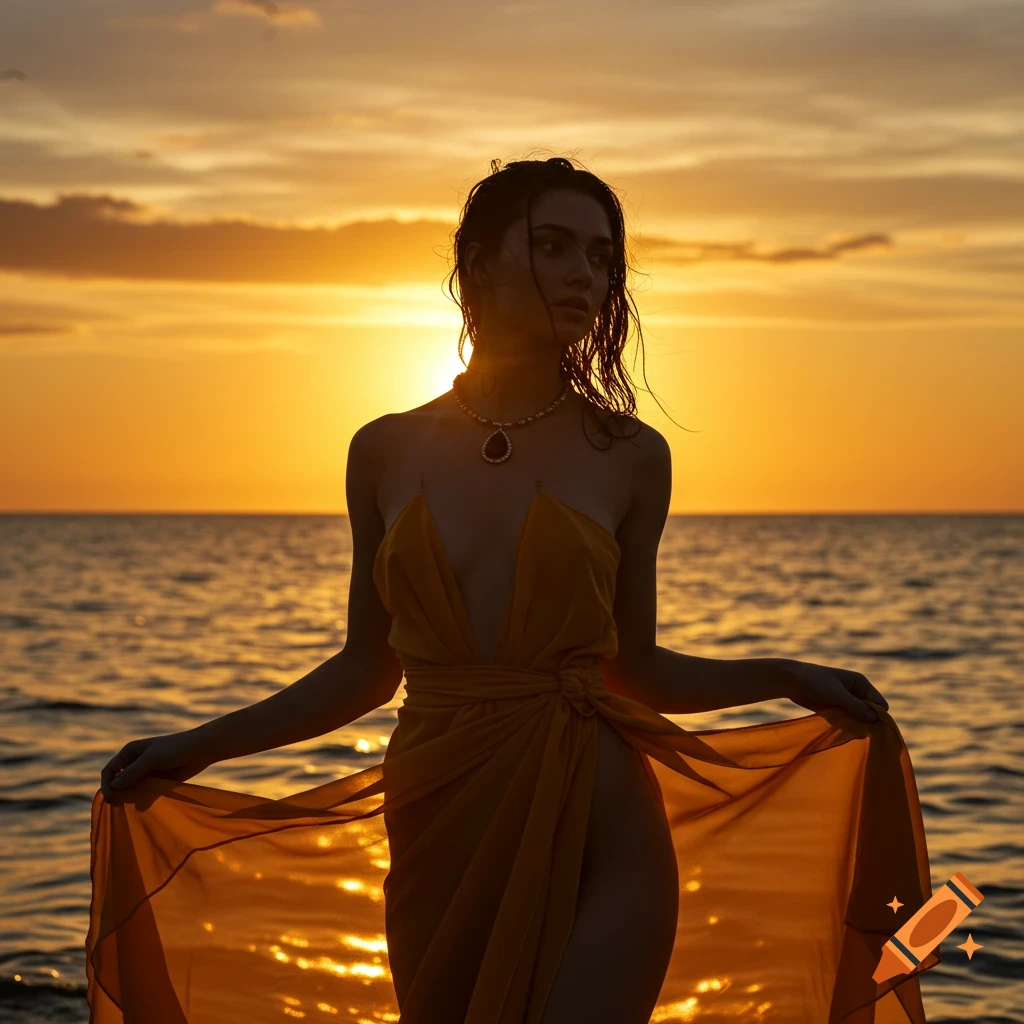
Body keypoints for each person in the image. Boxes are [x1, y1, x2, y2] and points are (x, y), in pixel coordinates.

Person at [91, 156, 937, 1024]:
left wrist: (788, 675)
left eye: (603, 257)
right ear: (480, 263)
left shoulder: (631, 455)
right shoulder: (382, 451)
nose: (585, 274)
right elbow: (363, 671)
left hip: (601, 818)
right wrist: (197, 746)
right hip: (439, 813)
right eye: (554, 246)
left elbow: (635, 668)